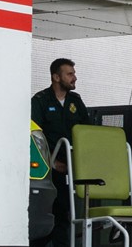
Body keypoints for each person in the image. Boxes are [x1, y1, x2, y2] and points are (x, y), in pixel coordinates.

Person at [31, 58, 91, 247]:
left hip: (73, 169)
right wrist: (53, 163)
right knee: (48, 214)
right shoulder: (40, 100)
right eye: (70, 74)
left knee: (65, 214)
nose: (75, 78)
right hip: (49, 170)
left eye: (74, 73)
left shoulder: (76, 101)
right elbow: (34, 135)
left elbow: (87, 132)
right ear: (56, 77)